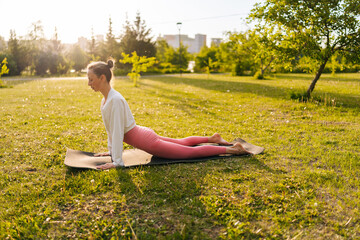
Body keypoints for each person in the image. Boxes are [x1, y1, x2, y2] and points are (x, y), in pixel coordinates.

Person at [87, 59, 251, 170]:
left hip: (145, 140)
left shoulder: (114, 100)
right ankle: (213, 139)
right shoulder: (107, 99)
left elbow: (117, 132)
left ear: (102, 78)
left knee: (189, 153)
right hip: (142, 134)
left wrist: (117, 162)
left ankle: (233, 149)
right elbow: (112, 131)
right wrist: (111, 152)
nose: (89, 84)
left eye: (91, 79)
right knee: (181, 142)